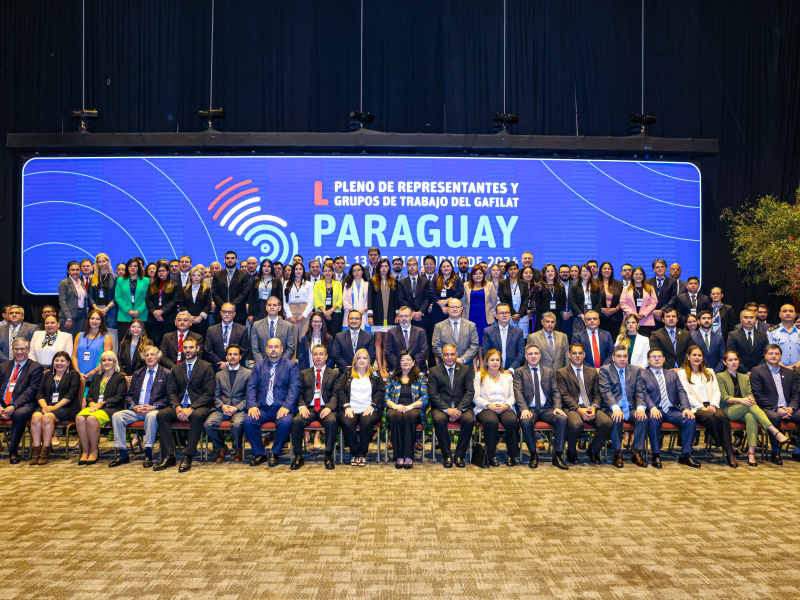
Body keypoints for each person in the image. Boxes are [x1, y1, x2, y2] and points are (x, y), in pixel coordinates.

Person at [151, 337, 215, 472]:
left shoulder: (206, 367)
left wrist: (191, 408)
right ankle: (169, 456)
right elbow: (171, 391)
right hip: (180, 406)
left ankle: (188, 456)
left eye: (191, 347)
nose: (188, 350)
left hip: (199, 406)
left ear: (197, 349)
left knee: (197, 416)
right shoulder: (176, 368)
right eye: (185, 348)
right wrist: (178, 407)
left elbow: (208, 393)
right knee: (162, 415)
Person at [717, 350, 788, 467]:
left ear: (739, 361)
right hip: (728, 410)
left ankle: (751, 453)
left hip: (746, 408)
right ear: (725, 362)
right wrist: (743, 400)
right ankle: (774, 430)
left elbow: (750, 394)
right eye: (730, 360)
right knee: (749, 406)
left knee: (751, 417)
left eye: (736, 359)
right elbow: (725, 398)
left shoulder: (744, 378)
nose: (734, 362)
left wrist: (750, 399)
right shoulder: (719, 376)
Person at [108, 345, 171, 468]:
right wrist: (134, 406)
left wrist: (153, 406)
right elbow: (129, 395)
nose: (149, 357)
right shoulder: (138, 373)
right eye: (146, 355)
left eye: (152, 355)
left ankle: (148, 454)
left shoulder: (167, 373)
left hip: (155, 410)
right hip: (137, 410)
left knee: (152, 417)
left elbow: (169, 397)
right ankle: (123, 454)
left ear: (158, 357)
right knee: (117, 416)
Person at [243, 338, 302, 467]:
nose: (273, 349)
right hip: (262, 407)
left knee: (286, 423)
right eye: (271, 347)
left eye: (276, 347)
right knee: (248, 421)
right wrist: (252, 405)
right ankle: (259, 454)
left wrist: (287, 406)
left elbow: (295, 387)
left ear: (282, 349)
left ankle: (275, 453)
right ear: (266, 349)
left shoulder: (291, 365)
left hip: (281, 407)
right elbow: (251, 387)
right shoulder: (258, 365)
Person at [678, 345, 737, 467]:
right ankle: (729, 449)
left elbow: (716, 390)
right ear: (688, 357)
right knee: (709, 418)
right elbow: (685, 394)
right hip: (695, 407)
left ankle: (728, 449)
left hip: (711, 404)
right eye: (694, 355)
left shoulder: (709, 371)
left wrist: (713, 405)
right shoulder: (682, 373)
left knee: (722, 417)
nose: (697, 357)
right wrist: (701, 407)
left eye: (699, 355)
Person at [640, 348, 699, 468]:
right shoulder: (642, 375)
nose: (657, 359)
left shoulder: (672, 374)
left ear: (663, 359)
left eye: (659, 357)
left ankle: (685, 455)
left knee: (690, 419)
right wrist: (652, 408)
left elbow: (681, 392)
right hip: (655, 409)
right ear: (648, 360)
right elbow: (643, 394)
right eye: (653, 357)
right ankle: (656, 455)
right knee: (654, 420)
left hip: (672, 410)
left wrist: (686, 408)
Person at [555, 343, 614, 464]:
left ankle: (593, 450)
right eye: (574, 353)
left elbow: (597, 394)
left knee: (607, 423)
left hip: (590, 406)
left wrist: (593, 406)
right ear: (569, 355)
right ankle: (571, 451)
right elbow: (565, 396)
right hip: (572, 408)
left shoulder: (592, 372)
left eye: (580, 353)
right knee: (576, 424)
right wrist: (578, 409)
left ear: (584, 355)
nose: (577, 356)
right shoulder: (561, 372)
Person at [514, 343, 569, 469]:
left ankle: (557, 456)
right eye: (530, 354)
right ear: (526, 357)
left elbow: (556, 391)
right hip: (529, 409)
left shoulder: (548, 372)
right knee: (526, 421)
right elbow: (518, 392)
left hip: (547, 409)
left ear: (540, 355)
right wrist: (523, 409)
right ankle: (534, 455)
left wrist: (557, 407)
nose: (533, 356)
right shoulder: (519, 372)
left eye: (536, 353)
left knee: (562, 419)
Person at [598, 345, 648, 467]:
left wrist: (641, 408)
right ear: (613, 357)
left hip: (630, 407)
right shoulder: (605, 370)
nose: (622, 359)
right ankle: (617, 453)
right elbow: (606, 391)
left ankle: (637, 453)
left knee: (643, 418)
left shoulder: (635, 370)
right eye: (619, 356)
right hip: (611, 407)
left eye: (625, 356)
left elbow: (640, 391)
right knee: (617, 418)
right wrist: (615, 408)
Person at [749, 344, 800, 464]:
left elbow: (796, 393)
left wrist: (792, 407)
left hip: (788, 408)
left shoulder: (788, 372)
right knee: (775, 417)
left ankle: (797, 451)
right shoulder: (757, 371)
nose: (773, 356)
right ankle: (775, 451)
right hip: (768, 408)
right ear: (765, 355)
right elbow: (757, 395)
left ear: (781, 356)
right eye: (770, 353)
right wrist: (777, 409)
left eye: (777, 353)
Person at [290, 345, 340, 470]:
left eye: (321, 354)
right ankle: (298, 456)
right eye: (315, 354)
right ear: (312, 357)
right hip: (309, 408)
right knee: (296, 421)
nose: (318, 357)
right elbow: (298, 393)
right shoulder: (303, 373)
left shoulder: (335, 374)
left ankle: (328, 456)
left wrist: (329, 407)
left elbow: (336, 394)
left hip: (326, 407)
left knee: (331, 421)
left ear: (326, 356)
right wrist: (301, 406)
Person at [75, 350, 127, 464]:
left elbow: (119, 397)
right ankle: (85, 451)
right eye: (104, 360)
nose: (106, 362)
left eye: (109, 360)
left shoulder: (120, 377)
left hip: (111, 408)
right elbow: (89, 395)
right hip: (95, 407)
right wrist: (92, 403)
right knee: (79, 417)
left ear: (114, 362)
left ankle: (94, 451)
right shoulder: (96, 378)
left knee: (91, 418)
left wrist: (101, 403)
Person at [29, 351, 80, 465]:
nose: (59, 363)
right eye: (56, 360)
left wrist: (54, 408)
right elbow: (40, 394)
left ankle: (45, 451)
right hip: (47, 406)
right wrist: (45, 406)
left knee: (47, 417)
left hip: (67, 407)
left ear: (68, 363)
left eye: (62, 360)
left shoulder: (73, 374)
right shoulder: (47, 375)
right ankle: (36, 451)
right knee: (36, 416)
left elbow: (70, 395)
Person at [428, 344, 475, 468]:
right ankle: (447, 456)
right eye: (446, 354)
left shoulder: (465, 369)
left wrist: (459, 409)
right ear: (442, 356)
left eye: (452, 354)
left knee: (469, 420)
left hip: (462, 408)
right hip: (442, 408)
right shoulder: (434, 371)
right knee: (438, 420)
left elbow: (470, 392)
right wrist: (447, 409)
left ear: (456, 355)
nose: (449, 357)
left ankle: (460, 456)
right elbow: (433, 394)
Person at [202, 344, 251, 463]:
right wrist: (222, 406)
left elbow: (250, 396)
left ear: (240, 357)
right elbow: (215, 395)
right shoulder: (219, 374)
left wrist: (236, 408)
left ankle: (239, 448)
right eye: (230, 354)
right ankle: (222, 447)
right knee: (208, 425)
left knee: (236, 424)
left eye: (235, 354)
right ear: (226, 357)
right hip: (222, 408)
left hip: (239, 408)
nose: (232, 357)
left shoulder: (248, 373)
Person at [336, 347, 384, 466]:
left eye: (365, 358)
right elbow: (339, 390)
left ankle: (362, 454)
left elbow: (381, 391)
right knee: (347, 422)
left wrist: (372, 406)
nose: (362, 360)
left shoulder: (375, 373)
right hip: (350, 408)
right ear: (355, 361)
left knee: (367, 422)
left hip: (369, 408)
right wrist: (346, 406)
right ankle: (354, 453)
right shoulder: (347, 373)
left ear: (369, 360)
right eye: (359, 358)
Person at [0, 338, 44, 464]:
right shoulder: (3, 366)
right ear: (12, 351)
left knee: (18, 414)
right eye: (16, 349)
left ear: (28, 350)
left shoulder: (36, 367)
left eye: (22, 349)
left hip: (24, 404)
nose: (19, 352)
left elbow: (31, 390)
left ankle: (13, 450)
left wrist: (13, 406)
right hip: (3, 403)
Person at [473, 349, 519, 467]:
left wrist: (506, 405)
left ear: (501, 362)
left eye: (497, 360)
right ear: (486, 362)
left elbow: (513, 396)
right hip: (485, 408)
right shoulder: (479, 376)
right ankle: (491, 455)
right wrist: (489, 405)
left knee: (512, 421)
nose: (495, 362)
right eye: (492, 360)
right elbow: (475, 397)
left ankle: (512, 455)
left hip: (504, 407)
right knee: (491, 421)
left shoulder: (507, 377)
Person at [385, 350, 428, 469]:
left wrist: (410, 406)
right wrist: (395, 406)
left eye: (408, 359)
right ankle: (399, 456)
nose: (405, 362)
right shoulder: (392, 376)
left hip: (414, 408)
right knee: (395, 416)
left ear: (414, 362)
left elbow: (424, 398)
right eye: (402, 359)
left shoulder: (421, 377)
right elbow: (385, 397)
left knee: (409, 416)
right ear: (399, 362)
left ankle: (409, 457)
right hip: (396, 407)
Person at [367, 258, 399, 377]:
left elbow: (396, 300)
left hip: (390, 316)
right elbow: (370, 299)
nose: (384, 268)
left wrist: (397, 314)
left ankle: (385, 367)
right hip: (378, 316)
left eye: (386, 266)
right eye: (382, 266)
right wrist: (370, 315)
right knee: (378, 342)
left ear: (389, 268)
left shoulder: (394, 281)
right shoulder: (372, 281)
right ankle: (379, 368)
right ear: (378, 268)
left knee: (387, 342)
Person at [397, 257, 430, 353]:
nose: (412, 267)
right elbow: (401, 299)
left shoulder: (426, 281)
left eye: (414, 264)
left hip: (422, 318)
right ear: (406, 267)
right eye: (409, 265)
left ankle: (421, 366)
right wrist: (412, 313)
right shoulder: (402, 282)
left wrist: (420, 312)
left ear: (418, 266)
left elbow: (427, 298)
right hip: (407, 318)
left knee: (422, 345)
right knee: (407, 344)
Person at [432, 299, 480, 366]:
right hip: (445, 366)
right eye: (452, 307)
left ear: (462, 308)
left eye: (457, 307)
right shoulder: (439, 326)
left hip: (466, 365)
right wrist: (449, 358)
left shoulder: (471, 326)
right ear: (447, 309)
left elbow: (474, 346)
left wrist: (463, 359)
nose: (454, 309)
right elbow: (435, 347)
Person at [463, 265, 497, 358]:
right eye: (475, 273)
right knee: (472, 343)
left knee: (483, 343)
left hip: (484, 318)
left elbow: (493, 300)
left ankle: (482, 367)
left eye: (480, 273)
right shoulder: (466, 285)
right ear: (472, 275)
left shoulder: (489, 285)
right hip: (470, 317)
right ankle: (473, 367)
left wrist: (488, 309)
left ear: (483, 274)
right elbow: (463, 301)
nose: (478, 275)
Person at [87, 253, 119, 353]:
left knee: (111, 336)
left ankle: (113, 362)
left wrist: (106, 308)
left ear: (108, 262)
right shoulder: (93, 278)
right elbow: (90, 295)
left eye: (103, 261)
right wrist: (96, 308)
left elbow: (116, 296)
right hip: (96, 310)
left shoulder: (115, 278)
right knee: (96, 335)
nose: (101, 264)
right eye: (99, 262)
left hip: (110, 310)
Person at [72, 309, 114, 383]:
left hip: (97, 376)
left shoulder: (106, 338)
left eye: (97, 319)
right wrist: (78, 373)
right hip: (79, 376)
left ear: (101, 322)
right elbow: (74, 356)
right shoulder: (79, 336)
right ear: (88, 320)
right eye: (92, 318)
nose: (94, 321)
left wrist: (93, 372)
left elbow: (107, 360)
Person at [145, 259, 180, 348]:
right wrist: (155, 312)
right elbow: (148, 300)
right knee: (154, 343)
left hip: (168, 318)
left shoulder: (174, 285)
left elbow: (174, 301)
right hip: (153, 318)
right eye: (159, 271)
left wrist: (162, 311)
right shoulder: (152, 285)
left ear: (168, 272)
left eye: (163, 271)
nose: (161, 273)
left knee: (167, 344)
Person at [205, 302, 250, 372]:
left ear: (234, 314)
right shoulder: (211, 330)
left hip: (236, 369)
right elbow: (208, 350)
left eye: (229, 312)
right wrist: (221, 364)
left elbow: (244, 350)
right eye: (224, 312)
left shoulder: (242, 330)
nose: (226, 314)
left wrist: (228, 363)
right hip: (216, 368)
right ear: (220, 313)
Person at [383, 305, 428, 373]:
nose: (404, 318)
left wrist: (412, 364)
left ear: (411, 317)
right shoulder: (391, 332)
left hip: (417, 368)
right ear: (398, 317)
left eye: (406, 316)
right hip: (397, 369)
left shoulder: (420, 332)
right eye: (401, 316)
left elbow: (423, 352)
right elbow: (388, 353)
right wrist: (400, 365)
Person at [482, 303, 525, 373]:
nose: (504, 315)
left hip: (513, 372)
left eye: (507, 312)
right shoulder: (488, 331)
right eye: (501, 313)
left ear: (510, 314)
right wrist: (496, 369)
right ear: (496, 315)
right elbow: (485, 353)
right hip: (493, 372)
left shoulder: (518, 332)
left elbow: (521, 353)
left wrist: (511, 370)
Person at [251, 296, 295, 363]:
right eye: (269, 305)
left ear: (279, 308)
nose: (271, 307)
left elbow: (290, 349)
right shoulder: (256, 325)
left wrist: (280, 364)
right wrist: (263, 365)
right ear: (266, 307)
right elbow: (255, 349)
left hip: (282, 366)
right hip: (262, 366)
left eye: (274, 305)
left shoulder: (288, 326)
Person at [115, 257, 150, 342]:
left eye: (135, 266)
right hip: (125, 314)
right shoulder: (120, 280)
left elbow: (148, 298)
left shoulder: (146, 280)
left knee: (141, 342)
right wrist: (128, 310)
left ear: (139, 268)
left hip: (141, 314)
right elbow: (118, 297)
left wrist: (139, 310)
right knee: (124, 341)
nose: (133, 268)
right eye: (130, 266)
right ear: (127, 268)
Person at [283, 261, 314, 355]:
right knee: (291, 340)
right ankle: (291, 363)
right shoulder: (286, 283)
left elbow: (311, 302)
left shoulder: (308, 284)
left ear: (303, 270)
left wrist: (303, 315)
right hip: (290, 312)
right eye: (296, 269)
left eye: (300, 269)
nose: (298, 271)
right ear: (293, 271)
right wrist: (289, 315)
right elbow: (285, 301)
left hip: (304, 313)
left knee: (303, 339)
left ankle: (303, 364)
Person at [212, 251, 250, 326]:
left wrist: (231, 306)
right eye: (228, 258)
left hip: (239, 312)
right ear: (224, 260)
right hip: (220, 312)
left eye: (232, 258)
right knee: (219, 336)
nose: (230, 260)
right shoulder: (217, 275)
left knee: (238, 336)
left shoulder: (244, 275)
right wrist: (224, 306)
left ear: (236, 260)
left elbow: (245, 293)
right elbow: (214, 293)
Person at [427, 258, 465, 332]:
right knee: (436, 332)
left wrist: (447, 301)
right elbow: (431, 292)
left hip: (452, 309)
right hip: (437, 309)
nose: (446, 268)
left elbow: (461, 292)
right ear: (440, 268)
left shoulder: (457, 278)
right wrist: (442, 305)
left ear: (451, 267)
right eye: (444, 267)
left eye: (448, 266)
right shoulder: (436, 278)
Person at [727, 308, 768, 373]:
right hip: (739, 372)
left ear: (755, 320)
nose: (749, 320)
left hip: (759, 372)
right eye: (746, 317)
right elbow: (732, 355)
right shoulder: (733, 335)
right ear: (741, 320)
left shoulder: (763, 335)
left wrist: (756, 371)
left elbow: (766, 354)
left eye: (751, 317)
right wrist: (746, 372)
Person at [180, 265, 212, 342]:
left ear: (202, 277)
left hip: (202, 321)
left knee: (201, 342)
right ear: (190, 277)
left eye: (198, 275)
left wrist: (200, 317)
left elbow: (208, 305)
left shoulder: (206, 289)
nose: (196, 277)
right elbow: (181, 304)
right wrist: (189, 316)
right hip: (188, 320)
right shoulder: (184, 289)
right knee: (188, 341)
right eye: (194, 275)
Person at [58, 262, 88, 339]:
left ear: (80, 270)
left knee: (79, 339)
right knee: (68, 340)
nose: (75, 272)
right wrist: (68, 318)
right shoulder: (64, 283)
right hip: (68, 316)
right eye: (72, 270)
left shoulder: (81, 282)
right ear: (68, 271)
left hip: (82, 315)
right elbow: (62, 301)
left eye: (77, 270)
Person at [248, 258, 283, 323]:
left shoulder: (276, 280)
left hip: (272, 307)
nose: (266, 268)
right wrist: (250, 314)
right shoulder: (255, 280)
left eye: (269, 266)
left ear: (271, 268)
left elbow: (280, 298)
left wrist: (280, 314)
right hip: (258, 308)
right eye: (264, 266)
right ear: (261, 267)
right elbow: (251, 298)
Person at [534, 264, 567, 333]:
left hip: (556, 317)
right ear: (544, 274)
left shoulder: (560, 286)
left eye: (552, 271)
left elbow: (563, 301)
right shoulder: (539, 286)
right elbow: (535, 302)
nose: (550, 273)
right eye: (547, 271)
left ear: (555, 273)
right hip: (542, 316)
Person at [569, 264, 601, 335]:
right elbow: (573, 302)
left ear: (590, 273)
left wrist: (594, 315)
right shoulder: (575, 287)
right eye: (583, 271)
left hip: (593, 315)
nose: (585, 273)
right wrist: (582, 315)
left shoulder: (596, 287)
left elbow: (599, 302)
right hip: (580, 316)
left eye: (587, 271)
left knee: (592, 335)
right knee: (579, 337)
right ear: (580, 274)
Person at [646, 259, 678, 328]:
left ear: (666, 269)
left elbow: (673, 298)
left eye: (662, 267)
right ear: (654, 270)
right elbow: (646, 298)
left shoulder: (672, 282)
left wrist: (661, 311)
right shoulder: (648, 282)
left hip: (666, 314)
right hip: (651, 315)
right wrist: (653, 311)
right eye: (657, 267)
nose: (660, 269)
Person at [314, 263, 344, 338]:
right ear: (322, 273)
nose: (327, 273)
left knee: (334, 335)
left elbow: (340, 299)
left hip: (334, 313)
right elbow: (316, 299)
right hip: (321, 313)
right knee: (321, 335)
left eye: (329, 271)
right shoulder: (317, 284)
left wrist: (330, 311)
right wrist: (325, 312)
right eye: (325, 271)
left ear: (333, 272)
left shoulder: (338, 284)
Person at [497, 261, 529, 329]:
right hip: (509, 315)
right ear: (507, 271)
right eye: (510, 269)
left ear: (517, 270)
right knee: (510, 337)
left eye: (515, 269)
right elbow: (503, 299)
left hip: (522, 316)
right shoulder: (502, 283)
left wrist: (519, 314)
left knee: (523, 338)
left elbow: (526, 299)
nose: (513, 271)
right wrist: (513, 313)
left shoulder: (524, 283)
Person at [767, 304, 800, 369]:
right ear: (779, 314)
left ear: (795, 314)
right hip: (777, 368)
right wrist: (783, 367)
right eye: (785, 311)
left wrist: (796, 367)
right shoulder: (772, 332)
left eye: (791, 311)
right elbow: (769, 352)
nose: (788, 313)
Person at [596, 262, 623, 337]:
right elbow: (592, 299)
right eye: (605, 268)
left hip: (616, 317)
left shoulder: (618, 283)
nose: (607, 270)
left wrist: (616, 309)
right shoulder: (595, 283)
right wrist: (601, 309)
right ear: (601, 270)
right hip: (600, 317)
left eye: (609, 269)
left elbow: (623, 299)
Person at [342, 263, 369, 330]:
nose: (356, 272)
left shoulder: (368, 285)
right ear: (352, 272)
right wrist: (353, 312)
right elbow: (345, 300)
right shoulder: (347, 285)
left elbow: (370, 300)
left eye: (358, 270)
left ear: (362, 272)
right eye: (354, 270)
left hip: (364, 315)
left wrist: (362, 311)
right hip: (349, 314)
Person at [518, 266, 539, 336]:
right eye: (526, 273)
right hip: (522, 313)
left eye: (530, 273)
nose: (528, 274)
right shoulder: (517, 286)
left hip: (534, 314)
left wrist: (533, 311)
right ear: (522, 275)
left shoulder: (537, 286)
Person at [559, 265, 575, 339]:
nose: (565, 273)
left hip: (572, 319)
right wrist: (562, 314)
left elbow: (578, 301)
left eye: (567, 272)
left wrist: (570, 313)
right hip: (558, 318)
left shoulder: (575, 285)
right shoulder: (554, 285)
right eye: (562, 272)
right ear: (559, 273)